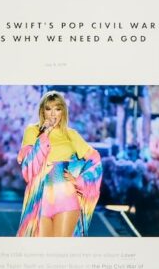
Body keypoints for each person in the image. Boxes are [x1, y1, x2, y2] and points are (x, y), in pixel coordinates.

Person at [16, 91, 103, 237]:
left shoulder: (71, 135)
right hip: (40, 200)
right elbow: (28, 168)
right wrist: (44, 134)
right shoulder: (32, 131)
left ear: (63, 111)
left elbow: (95, 160)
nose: (53, 113)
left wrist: (79, 180)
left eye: (57, 108)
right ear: (42, 111)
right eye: (48, 109)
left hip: (66, 199)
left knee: (61, 253)